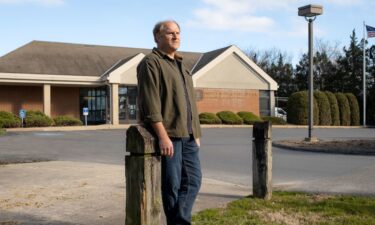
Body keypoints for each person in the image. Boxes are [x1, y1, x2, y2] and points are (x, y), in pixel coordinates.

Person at [137, 20, 202, 225]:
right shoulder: (150, 63)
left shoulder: (183, 65)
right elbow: (151, 103)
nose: (176, 37)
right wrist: (163, 136)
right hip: (170, 136)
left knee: (193, 181)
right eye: (170, 33)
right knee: (172, 186)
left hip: (189, 136)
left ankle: (179, 221)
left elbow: (190, 103)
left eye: (178, 33)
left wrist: (196, 134)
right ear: (157, 36)